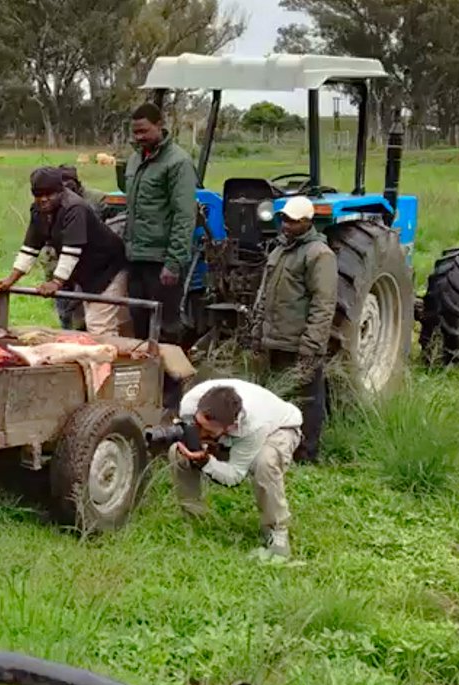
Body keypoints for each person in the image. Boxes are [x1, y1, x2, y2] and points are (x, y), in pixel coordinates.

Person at [169, 378, 303, 561]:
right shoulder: (191, 403)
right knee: (178, 453)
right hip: (230, 435)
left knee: (265, 462)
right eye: (198, 425)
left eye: (207, 431)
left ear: (229, 427)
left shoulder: (253, 426)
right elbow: (196, 429)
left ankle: (277, 533)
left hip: (281, 428)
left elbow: (234, 475)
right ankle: (193, 519)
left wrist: (205, 461)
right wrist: (196, 444)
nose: (201, 432)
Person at [250, 195, 337, 464]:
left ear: (307, 222)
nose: (286, 225)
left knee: (308, 401)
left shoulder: (319, 255)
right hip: (274, 339)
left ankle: (308, 455)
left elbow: (324, 304)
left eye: (293, 221)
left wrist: (312, 345)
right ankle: (279, 450)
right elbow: (264, 295)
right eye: (284, 219)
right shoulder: (279, 250)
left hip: (299, 341)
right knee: (277, 397)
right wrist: (257, 330)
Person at [0, 167, 129, 337]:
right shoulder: (38, 210)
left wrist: (56, 282)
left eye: (49, 194)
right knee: (91, 324)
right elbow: (30, 247)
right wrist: (10, 279)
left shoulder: (75, 208)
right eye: (38, 195)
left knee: (99, 326)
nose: (43, 199)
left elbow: (71, 251)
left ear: (61, 191)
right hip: (83, 272)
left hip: (108, 268)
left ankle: (109, 361)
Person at [123, 102, 198, 405]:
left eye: (144, 130)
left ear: (160, 125)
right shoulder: (134, 160)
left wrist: (174, 261)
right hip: (136, 256)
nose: (139, 137)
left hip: (162, 261)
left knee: (166, 327)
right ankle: (144, 388)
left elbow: (184, 215)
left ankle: (170, 395)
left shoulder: (177, 163)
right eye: (135, 132)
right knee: (139, 326)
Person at [38, 165, 123, 331]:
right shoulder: (49, 203)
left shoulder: (95, 199)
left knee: (95, 319)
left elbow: (121, 216)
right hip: (63, 264)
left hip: (94, 263)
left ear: (77, 183)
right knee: (67, 312)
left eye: (69, 184)